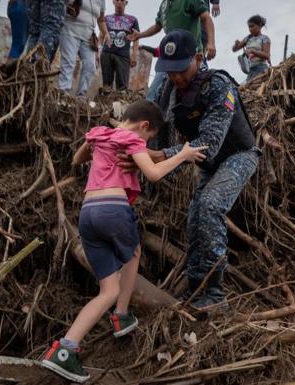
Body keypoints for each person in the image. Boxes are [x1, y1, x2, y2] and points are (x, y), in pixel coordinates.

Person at [39, 100, 207, 382]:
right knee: (134, 252)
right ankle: (122, 315)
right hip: (113, 210)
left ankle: (64, 350)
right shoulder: (132, 138)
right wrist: (183, 155)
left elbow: (76, 160)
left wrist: (93, 145)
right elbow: (152, 174)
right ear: (144, 126)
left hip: (87, 215)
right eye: (149, 137)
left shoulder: (100, 134)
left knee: (107, 290)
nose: (146, 142)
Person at [143, 30, 259, 308]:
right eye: (169, 71)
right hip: (207, 161)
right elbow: (163, 128)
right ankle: (197, 288)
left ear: (197, 58)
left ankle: (216, 295)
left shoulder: (219, 86)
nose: (175, 77)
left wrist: (160, 156)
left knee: (209, 206)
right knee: (195, 216)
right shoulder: (171, 91)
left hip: (238, 155)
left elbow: (210, 143)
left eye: (180, 70)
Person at [128, 0, 216, 101]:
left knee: (203, 92)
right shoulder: (164, 5)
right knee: (154, 94)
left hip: (190, 57)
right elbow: (157, 26)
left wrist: (211, 43)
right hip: (169, 60)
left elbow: (206, 17)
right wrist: (140, 35)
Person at [58, 0, 110, 96]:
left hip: (88, 36)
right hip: (70, 30)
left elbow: (101, 19)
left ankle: (81, 96)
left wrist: (106, 33)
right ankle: (63, 93)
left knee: (90, 66)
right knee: (69, 62)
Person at [100, 0, 140, 91]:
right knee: (106, 86)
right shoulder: (106, 18)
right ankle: (105, 103)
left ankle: (120, 105)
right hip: (107, 54)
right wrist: (98, 51)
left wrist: (134, 55)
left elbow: (136, 38)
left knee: (122, 87)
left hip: (123, 56)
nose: (119, 2)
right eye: (117, 0)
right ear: (113, 2)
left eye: (122, 0)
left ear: (126, 2)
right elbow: (101, 36)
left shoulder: (133, 19)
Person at [232, 15, 271, 81]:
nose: (250, 29)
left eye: (252, 26)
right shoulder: (248, 38)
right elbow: (234, 50)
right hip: (251, 70)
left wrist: (252, 51)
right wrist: (236, 44)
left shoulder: (264, 39)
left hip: (261, 69)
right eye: (249, 27)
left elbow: (266, 55)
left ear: (259, 25)